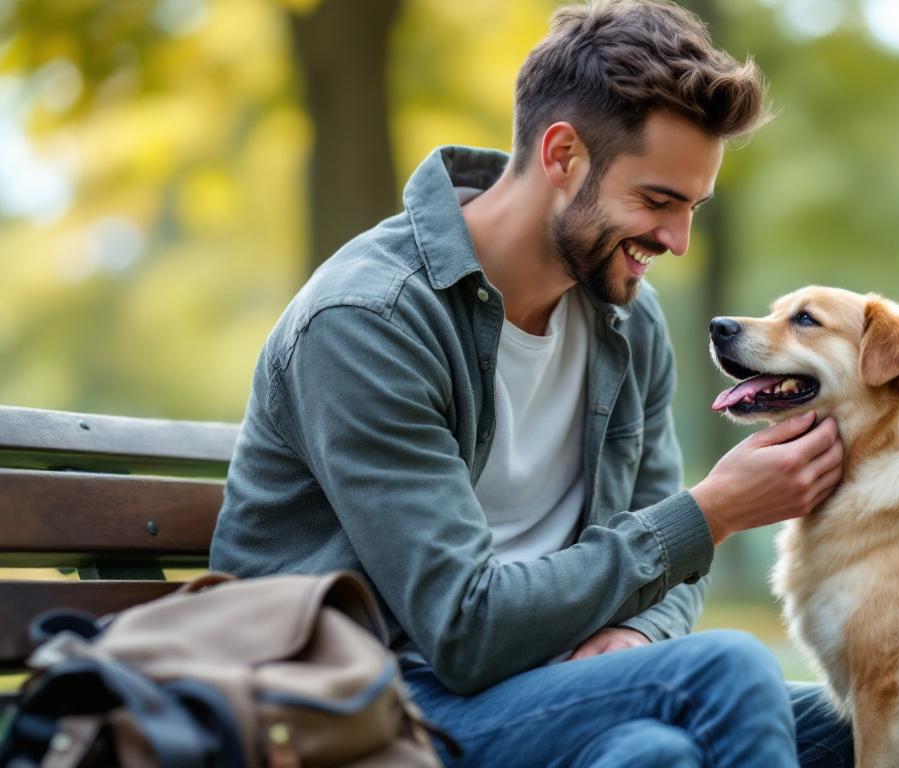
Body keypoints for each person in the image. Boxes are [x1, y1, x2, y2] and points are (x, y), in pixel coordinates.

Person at [209, 1, 850, 765]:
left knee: (873, 717)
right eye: (656, 201)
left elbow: (661, 558)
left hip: (543, 690)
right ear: (562, 156)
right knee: (731, 669)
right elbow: (464, 631)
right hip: (376, 708)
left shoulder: (628, 324)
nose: (677, 242)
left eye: (692, 209)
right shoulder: (368, 321)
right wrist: (710, 515)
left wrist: (640, 633)